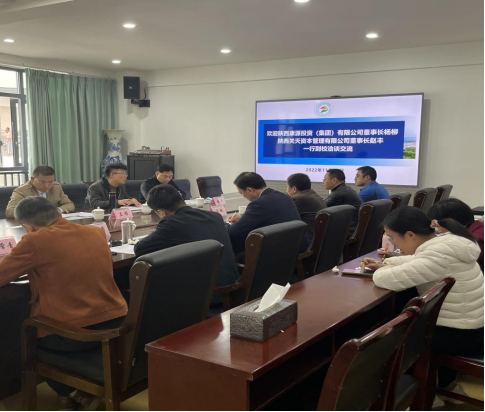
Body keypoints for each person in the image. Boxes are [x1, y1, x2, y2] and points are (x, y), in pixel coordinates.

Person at [0, 197, 128, 411]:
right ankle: (71, 395)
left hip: (75, 334)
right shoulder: (95, 232)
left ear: (28, 227)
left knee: (25, 341)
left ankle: (72, 392)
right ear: (58, 214)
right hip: (117, 321)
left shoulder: (34, 241)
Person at [363, 207, 484, 393]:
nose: (392, 243)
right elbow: (419, 260)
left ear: (410, 235)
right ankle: (442, 383)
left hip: (459, 336)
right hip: (470, 326)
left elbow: (384, 279)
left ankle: (413, 392)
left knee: (387, 340)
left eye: (392, 238)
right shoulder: (448, 243)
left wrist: (381, 270)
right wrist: (388, 262)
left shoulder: (438, 256)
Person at [134, 184, 239, 301]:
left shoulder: (171, 223)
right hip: (233, 288)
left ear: (162, 213)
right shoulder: (214, 216)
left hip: (204, 296)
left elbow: (140, 249)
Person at [227, 172, 302, 256]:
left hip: (277, 254)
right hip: (296, 246)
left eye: (241, 193)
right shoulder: (284, 196)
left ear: (249, 190)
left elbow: (234, 232)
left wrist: (224, 225)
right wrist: (243, 219)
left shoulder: (258, 203)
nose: (243, 196)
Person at [429, 198, 484, 273]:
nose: (438, 230)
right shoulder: (478, 228)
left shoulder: (476, 242)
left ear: (450, 222)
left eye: (438, 225)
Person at [5, 166, 75, 219]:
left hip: (52, 223)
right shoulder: (22, 191)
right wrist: (37, 213)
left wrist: (58, 210)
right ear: (33, 179)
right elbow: (10, 211)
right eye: (42, 182)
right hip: (33, 225)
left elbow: (69, 204)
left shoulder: (56, 187)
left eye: (50, 181)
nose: (47, 185)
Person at [286, 173, 327, 243]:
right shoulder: (314, 194)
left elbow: (286, 220)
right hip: (320, 239)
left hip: (309, 241)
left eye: (287, 187)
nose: (286, 190)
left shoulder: (296, 199)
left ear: (294, 189)